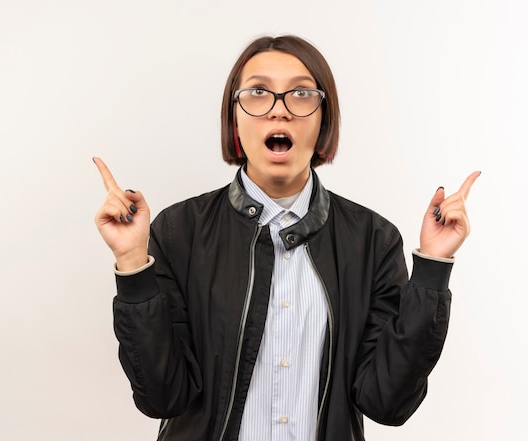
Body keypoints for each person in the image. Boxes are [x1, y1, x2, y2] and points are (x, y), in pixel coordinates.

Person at [93, 35, 479, 441]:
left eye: (300, 93)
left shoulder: (373, 240)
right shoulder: (178, 231)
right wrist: (133, 263)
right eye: (258, 92)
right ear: (235, 119)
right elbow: (162, 397)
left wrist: (432, 269)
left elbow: (387, 401)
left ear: (323, 120)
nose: (280, 110)